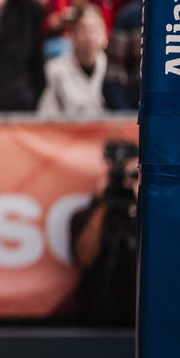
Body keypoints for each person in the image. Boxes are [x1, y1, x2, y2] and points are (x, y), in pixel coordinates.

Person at [69, 139, 139, 326]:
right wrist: (100, 206)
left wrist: (143, 203)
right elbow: (84, 258)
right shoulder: (83, 217)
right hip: (96, 318)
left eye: (131, 177)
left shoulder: (145, 220)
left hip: (139, 319)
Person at [36, 3, 109, 117]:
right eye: (84, 29)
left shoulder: (111, 68)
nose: (89, 35)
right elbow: (46, 114)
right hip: (67, 131)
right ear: (72, 34)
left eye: (94, 28)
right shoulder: (55, 69)